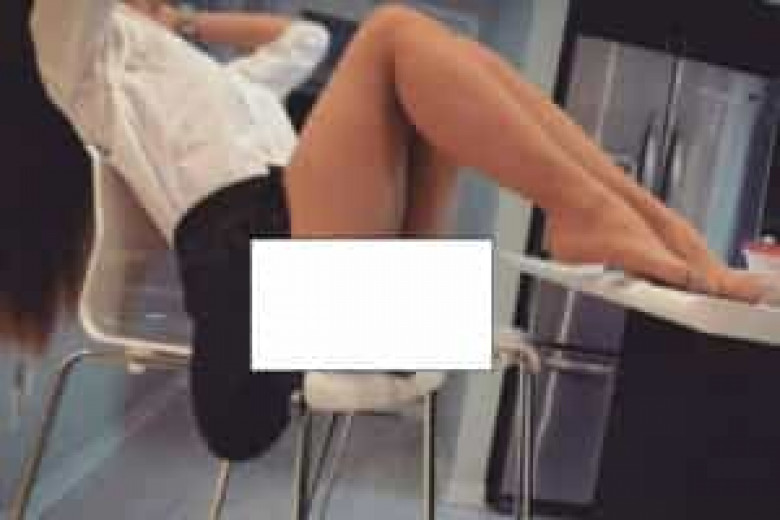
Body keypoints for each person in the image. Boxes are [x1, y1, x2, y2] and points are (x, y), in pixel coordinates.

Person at [13, 0, 773, 460]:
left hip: (329, 279)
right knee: (395, 34)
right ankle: (588, 220)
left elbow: (304, 42)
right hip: (255, 300)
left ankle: (659, 227)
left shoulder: (224, 81)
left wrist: (185, 23)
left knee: (457, 61)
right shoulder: (78, 66)